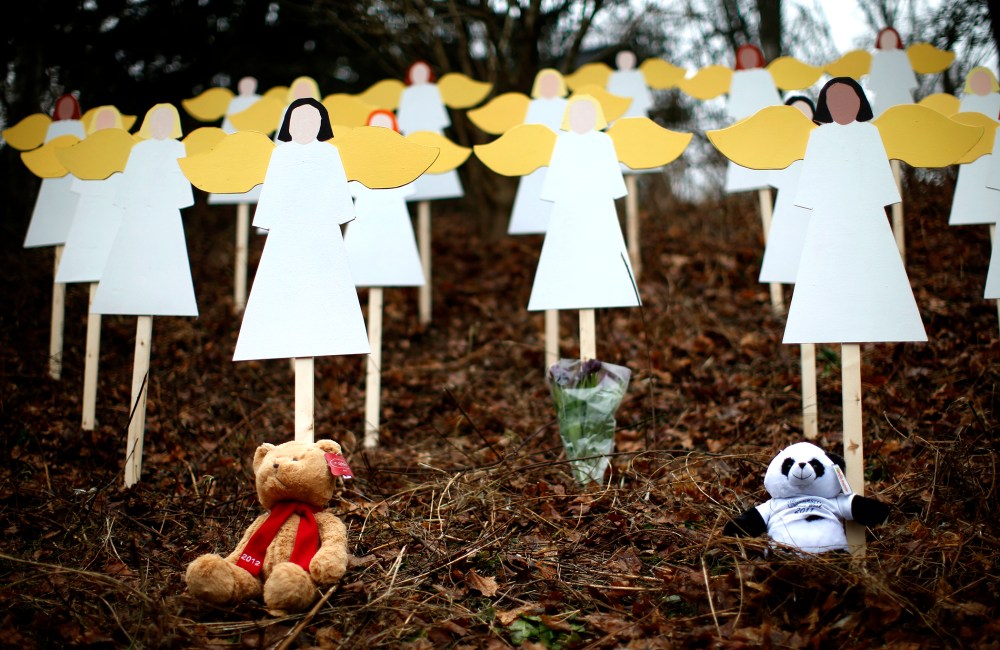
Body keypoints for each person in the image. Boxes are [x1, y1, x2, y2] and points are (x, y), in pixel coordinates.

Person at [784, 77, 925, 344]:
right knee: (829, 269)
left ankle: (873, 319)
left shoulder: (870, 134)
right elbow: (812, 181)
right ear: (825, 105)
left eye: (848, 99)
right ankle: (829, 320)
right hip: (829, 216)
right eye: (835, 100)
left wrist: (874, 203)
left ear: (860, 101)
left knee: (870, 268)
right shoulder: (819, 137)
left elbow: (881, 180)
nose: (842, 105)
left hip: (866, 215)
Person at [233, 98, 369, 361]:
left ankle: (324, 333)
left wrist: (339, 215)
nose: (305, 125)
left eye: (311, 120)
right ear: (288, 124)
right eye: (298, 119)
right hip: (286, 232)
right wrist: (268, 219)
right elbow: (272, 190)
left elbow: (339, 195)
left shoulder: (329, 153)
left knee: (323, 285)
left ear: (321, 124)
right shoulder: (280, 154)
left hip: (322, 232)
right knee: (285, 284)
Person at [527, 96, 639, 311]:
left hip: (598, 206)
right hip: (568, 207)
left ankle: (604, 287)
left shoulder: (603, 141)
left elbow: (611, 171)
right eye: (576, 114)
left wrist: (614, 191)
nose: (581, 119)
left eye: (587, 114)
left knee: (599, 247)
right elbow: (556, 173)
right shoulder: (563, 142)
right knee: (567, 249)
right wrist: (554, 194)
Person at [91, 104, 198, 317]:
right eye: (157, 121)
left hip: (165, 214)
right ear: (149, 123)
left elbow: (180, 182)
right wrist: (128, 203)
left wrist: (177, 200)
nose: (161, 126)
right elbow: (129, 180)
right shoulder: (139, 149)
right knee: (134, 260)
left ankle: (163, 299)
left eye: (166, 122)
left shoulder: (177, 148)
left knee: (164, 258)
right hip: (138, 214)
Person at [343, 110, 424, 288]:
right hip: (365, 209)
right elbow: (352, 186)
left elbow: (407, 186)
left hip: (392, 209)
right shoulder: (361, 158)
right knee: (364, 247)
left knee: (392, 247)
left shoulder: (399, 157)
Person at [759, 95, 816, 285]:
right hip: (789, 202)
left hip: (815, 203)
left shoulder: (819, 142)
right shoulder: (781, 147)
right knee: (788, 245)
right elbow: (776, 177)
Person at [508, 69, 569, 235]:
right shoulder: (534, 106)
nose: (549, 87)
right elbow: (528, 133)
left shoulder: (565, 106)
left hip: (561, 161)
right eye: (545, 84)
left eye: (552, 83)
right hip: (537, 163)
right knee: (537, 201)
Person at [23, 93, 86, 248]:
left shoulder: (78, 127)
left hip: (72, 177)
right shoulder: (53, 129)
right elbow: (47, 154)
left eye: (69, 107)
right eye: (63, 107)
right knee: (55, 214)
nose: (66, 110)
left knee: (71, 213)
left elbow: (81, 151)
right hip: (53, 180)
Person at [397, 61, 463, 200]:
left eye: (422, 72)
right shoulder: (407, 93)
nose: (419, 75)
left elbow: (440, 116)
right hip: (412, 134)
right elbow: (402, 119)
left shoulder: (433, 90)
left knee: (435, 163)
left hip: (432, 133)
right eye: (416, 72)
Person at [725, 44, 782, 193]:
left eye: (751, 56)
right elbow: (735, 108)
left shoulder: (764, 76)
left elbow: (775, 103)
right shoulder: (737, 79)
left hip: (765, 127)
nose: (748, 60)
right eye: (744, 57)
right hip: (747, 129)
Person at [948, 67, 1000, 227]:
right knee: (978, 189)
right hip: (975, 156)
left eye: (984, 81)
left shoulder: (997, 100)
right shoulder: (968, 103)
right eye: (976, 81)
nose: (981, 84)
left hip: (994, 153)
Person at [867, 27, 917, 117]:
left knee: (905, 115)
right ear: (880, 41)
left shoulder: (901, 56)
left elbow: (908, 76)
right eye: (885, 39)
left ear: (896, 40)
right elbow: (874, 78)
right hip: (883, 94)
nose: (888, 41)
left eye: (891, 38)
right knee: (883, 116)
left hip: (901, 93)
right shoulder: (878, 57)